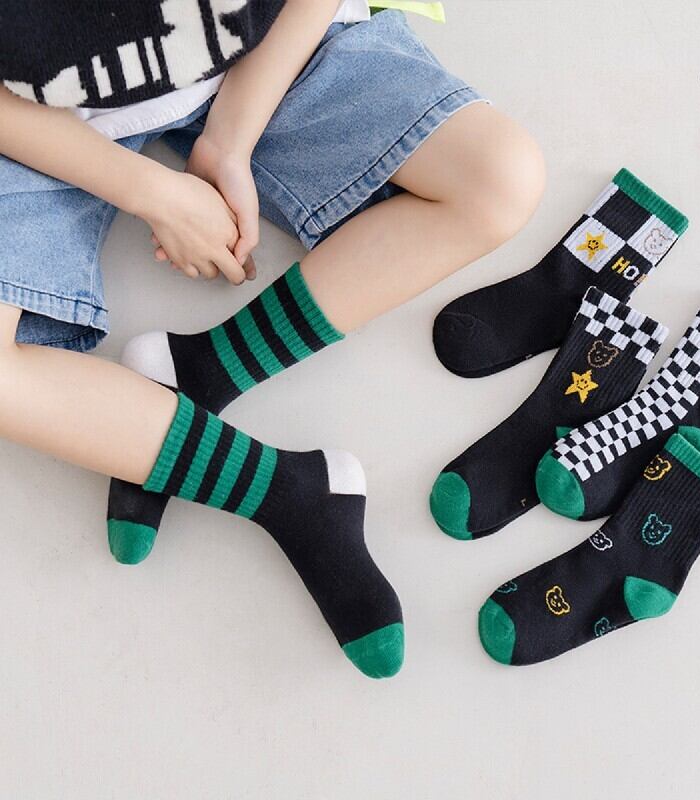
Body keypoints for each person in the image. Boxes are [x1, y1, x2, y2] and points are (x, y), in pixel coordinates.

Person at [0, 0, 544, 677]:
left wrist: (229, 140)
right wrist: (153, 194)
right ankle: (286, 494)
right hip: (37, 117)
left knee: (500, 178)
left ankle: (201, 371)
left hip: (255, 47)